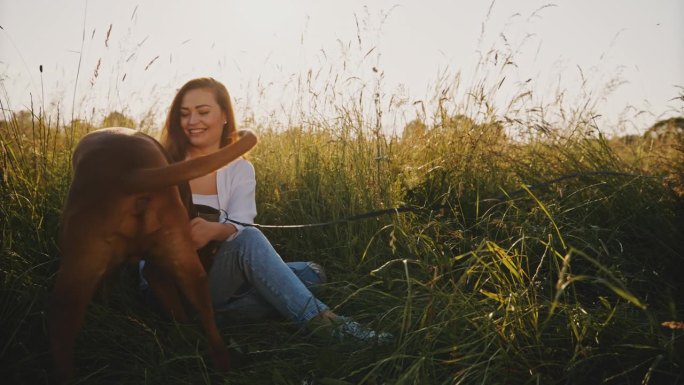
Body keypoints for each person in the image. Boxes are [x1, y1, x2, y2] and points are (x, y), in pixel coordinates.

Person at [140, 77, 391, 344]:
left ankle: (212, 319)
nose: (193, 122)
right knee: (253, 242)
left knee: (312, 273)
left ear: (224, 115)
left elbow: (240, 222)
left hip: (219, 274)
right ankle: (329, 326)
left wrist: (214, 230)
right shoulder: (163, 164)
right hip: (175, 283)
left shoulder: (239, 169)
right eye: (184, 114)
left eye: (203, 112)